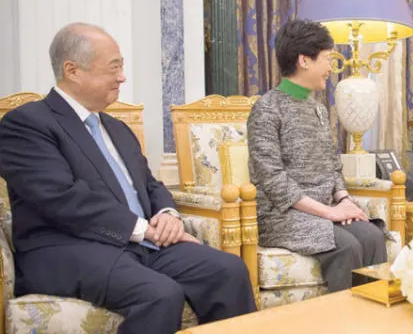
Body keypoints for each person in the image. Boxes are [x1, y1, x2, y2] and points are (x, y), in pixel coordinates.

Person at [0, 23, 256, 334]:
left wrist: (168, 214)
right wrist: (144, 229)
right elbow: (62, 198)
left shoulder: (117, 129)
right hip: (67, 248)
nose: (122, 77)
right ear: (72, 71)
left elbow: (149, 184)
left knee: (228, 270)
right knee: (159, 294)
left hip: (138, 245)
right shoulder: (26, 124)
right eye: (114, 67)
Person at [247, 19, 387, 293]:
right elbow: (273, 181)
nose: (331, 68)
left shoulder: (318, 109)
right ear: (304, 61)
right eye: (326, 59)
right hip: (281, 217)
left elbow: (333, 167)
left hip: (323, 211)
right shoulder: (266, 109)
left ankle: (375, 314)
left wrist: (344, 200)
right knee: (347, 247)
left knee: (372, 236)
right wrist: (330, 213)